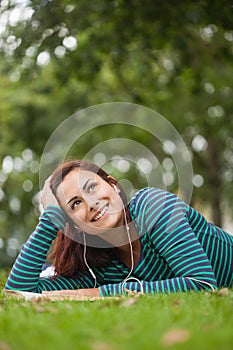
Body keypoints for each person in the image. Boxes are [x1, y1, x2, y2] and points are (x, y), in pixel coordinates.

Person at [4, 160, 233, 297]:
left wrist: (98, 294)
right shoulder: (100, 267)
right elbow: (19, 292)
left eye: (91, 187)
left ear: (113, 185)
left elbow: (202, 283)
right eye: (75, 204)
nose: (91, 203)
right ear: (74, 225)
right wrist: (49, 219)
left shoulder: (152, 206)